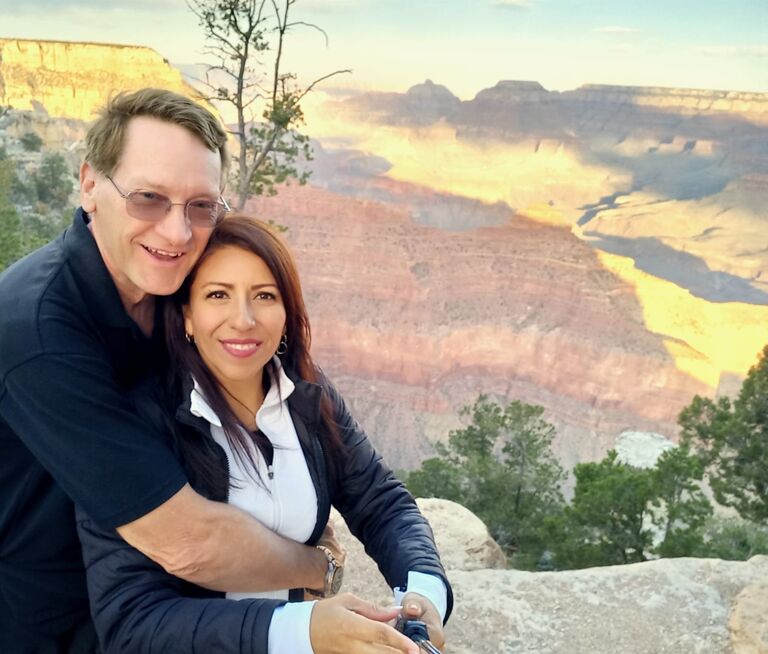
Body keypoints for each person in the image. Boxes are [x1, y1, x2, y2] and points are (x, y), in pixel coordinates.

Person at [0, 89, 340, 653]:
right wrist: (316, 566)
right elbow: (186, 540)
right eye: (149, 198)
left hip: (176, 607)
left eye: (201, 206)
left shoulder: (173, 287)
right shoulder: (38, 331)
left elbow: (287, 388)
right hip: (50, 615)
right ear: (89, 185)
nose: (177, 233)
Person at [76, 215, 452, 653]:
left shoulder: (308, 397)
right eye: (218, 295)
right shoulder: (139, 421)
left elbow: (381, 503)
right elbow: (132, 621)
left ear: (287, 314)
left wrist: (423, 595)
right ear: (187, 317)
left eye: (264, 296)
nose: (243, 319)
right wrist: (301, 629)